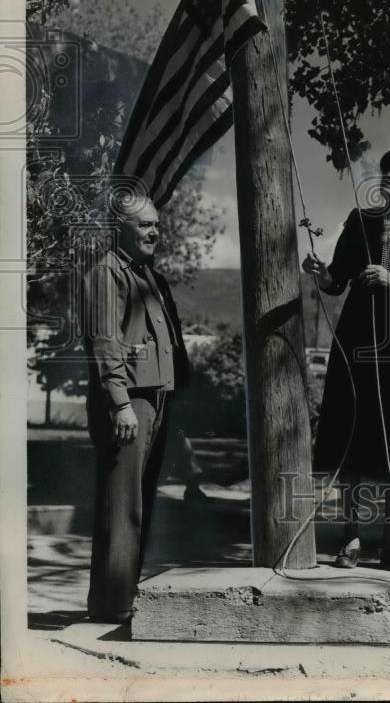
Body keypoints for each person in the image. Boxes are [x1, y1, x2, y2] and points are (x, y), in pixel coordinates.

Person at [302, 148, 390, 568]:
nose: (388, 176)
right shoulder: (360, 221)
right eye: (386, 170)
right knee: (350, 434)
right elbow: (337, 280)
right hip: (355, 343)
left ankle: (389, 537)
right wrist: (322, 273)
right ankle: (349, 537)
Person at [81, 190, 191, 623]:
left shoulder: (150, 276)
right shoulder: (106, 274)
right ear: (118, 229)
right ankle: (112, 604)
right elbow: (106, 342)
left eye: (157, 225)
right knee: (121, 502)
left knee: (139, 501)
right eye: (145, 224)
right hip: (129, 403)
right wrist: (120, 403)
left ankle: (123, 597)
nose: (154, 232)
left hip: (157, 398)